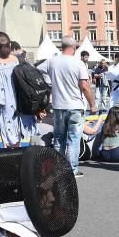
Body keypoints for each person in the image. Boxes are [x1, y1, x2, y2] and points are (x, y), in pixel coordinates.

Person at [39, 36, 96, 177]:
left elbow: (37, 70)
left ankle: (58, 167)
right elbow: (84, 86)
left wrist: (48, 83)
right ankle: (72, 169)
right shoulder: (78, 63)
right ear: (74, 48)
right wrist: (92, 104)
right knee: (73, 139)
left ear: (61, 47)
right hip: (75, 105)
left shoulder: (51, 61)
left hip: (58, 105)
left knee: (59, 139)